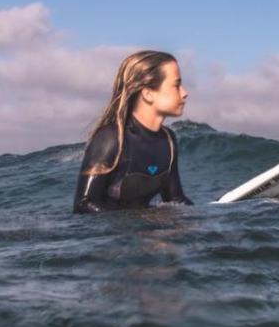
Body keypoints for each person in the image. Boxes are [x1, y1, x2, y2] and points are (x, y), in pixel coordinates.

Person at [73, 50, 195, 213]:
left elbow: (175, 199)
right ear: (148, 93)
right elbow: (83, 205)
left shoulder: (168, 140)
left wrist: (208, 218)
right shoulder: (111, 138)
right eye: (176, 85)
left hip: (144, 233)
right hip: (109, 237)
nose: (184, 92)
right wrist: (138, 221)